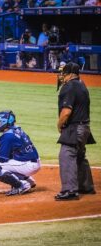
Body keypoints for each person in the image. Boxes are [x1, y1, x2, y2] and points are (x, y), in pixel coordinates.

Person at [55, 62, 96, 201]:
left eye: (64, 73)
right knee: (79, 156)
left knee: (66, 155)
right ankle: (86, 186)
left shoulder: (69, 87)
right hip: (85, 127)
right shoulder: (82, 84)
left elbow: (66, 112)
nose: (61, 76)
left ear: (71, 74)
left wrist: (59, 124)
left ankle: (70, 191)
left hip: (74, 128)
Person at [0, 110, 41, 196]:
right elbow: (12, 151)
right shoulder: (17, 130)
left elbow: (3, 159)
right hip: (33, 161)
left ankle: (21, 185)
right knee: (6, 163)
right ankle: (28, 180)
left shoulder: (7, 136)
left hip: (28, 165)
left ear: (4, 122)